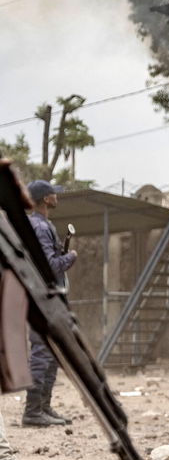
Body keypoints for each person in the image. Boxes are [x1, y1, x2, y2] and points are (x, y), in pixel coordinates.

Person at [23, 180, 75, 427]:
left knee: (52, 352)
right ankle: (33, 412)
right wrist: (70, 257)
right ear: (45, 199)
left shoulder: (41, 225)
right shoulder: (40, 227)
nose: (57, 196)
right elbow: (49, 266)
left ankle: (43, 407)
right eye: (53, 193)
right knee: (43, 353)